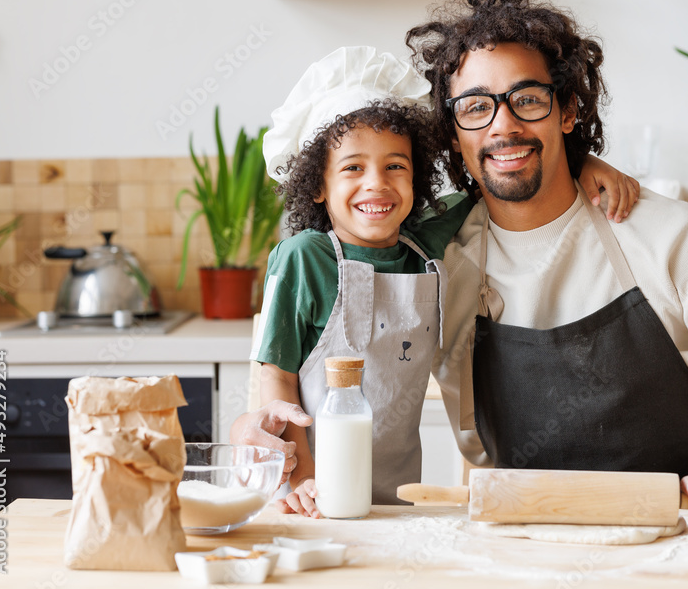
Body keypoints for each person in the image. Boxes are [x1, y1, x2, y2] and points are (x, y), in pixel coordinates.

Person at [407, 0, 688, 528]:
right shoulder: (435, 259)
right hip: (517, 546)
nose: (503, 124)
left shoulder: (666, 235)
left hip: (684, 542)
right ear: (453, 134)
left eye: (528, 99)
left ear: (566, 111)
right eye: (476, 107)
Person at [250, 46, 639, 518]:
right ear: (317, 185)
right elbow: (275, 377)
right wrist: (303, 477)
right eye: (353, 168)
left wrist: (580, 164)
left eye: (396, 166)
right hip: (309, 495)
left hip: (396, 501)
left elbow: (501, 174)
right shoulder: (303, 258)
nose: (377, 183)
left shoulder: (424, 242)